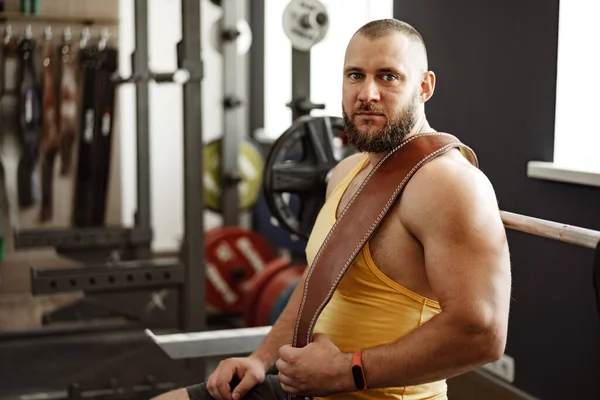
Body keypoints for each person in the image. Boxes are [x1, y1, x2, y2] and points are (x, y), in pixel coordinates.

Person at [154, 18, 511, 400]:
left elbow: (482, 333)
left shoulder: (449, 184)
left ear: (424, 87)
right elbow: (317, 281)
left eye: (388, 77)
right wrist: (260, 359)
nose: (367, 93)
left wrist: (347, 371)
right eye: (355, 75)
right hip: (314, 387)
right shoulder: (345, 171)